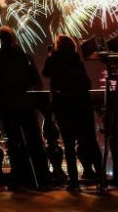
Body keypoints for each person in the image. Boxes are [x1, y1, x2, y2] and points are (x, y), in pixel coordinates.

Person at [0, 27, 51, 190]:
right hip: (26, 103)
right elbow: (37, 81)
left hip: (6, 105)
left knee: (14, 144)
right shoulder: (25, 58)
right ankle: (41, 178)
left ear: (0, 40)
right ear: (13, 39)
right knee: (34, 142)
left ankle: (19, 179)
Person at [41, 35, 103, 191]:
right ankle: (101, 178)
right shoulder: (77, 61)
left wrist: (51, 55)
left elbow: (45, 73)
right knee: (91, 142)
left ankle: (73, 182)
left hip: (64, 106)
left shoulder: (53, 60)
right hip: (83, 105)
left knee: (69, 144)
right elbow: (87, 83)